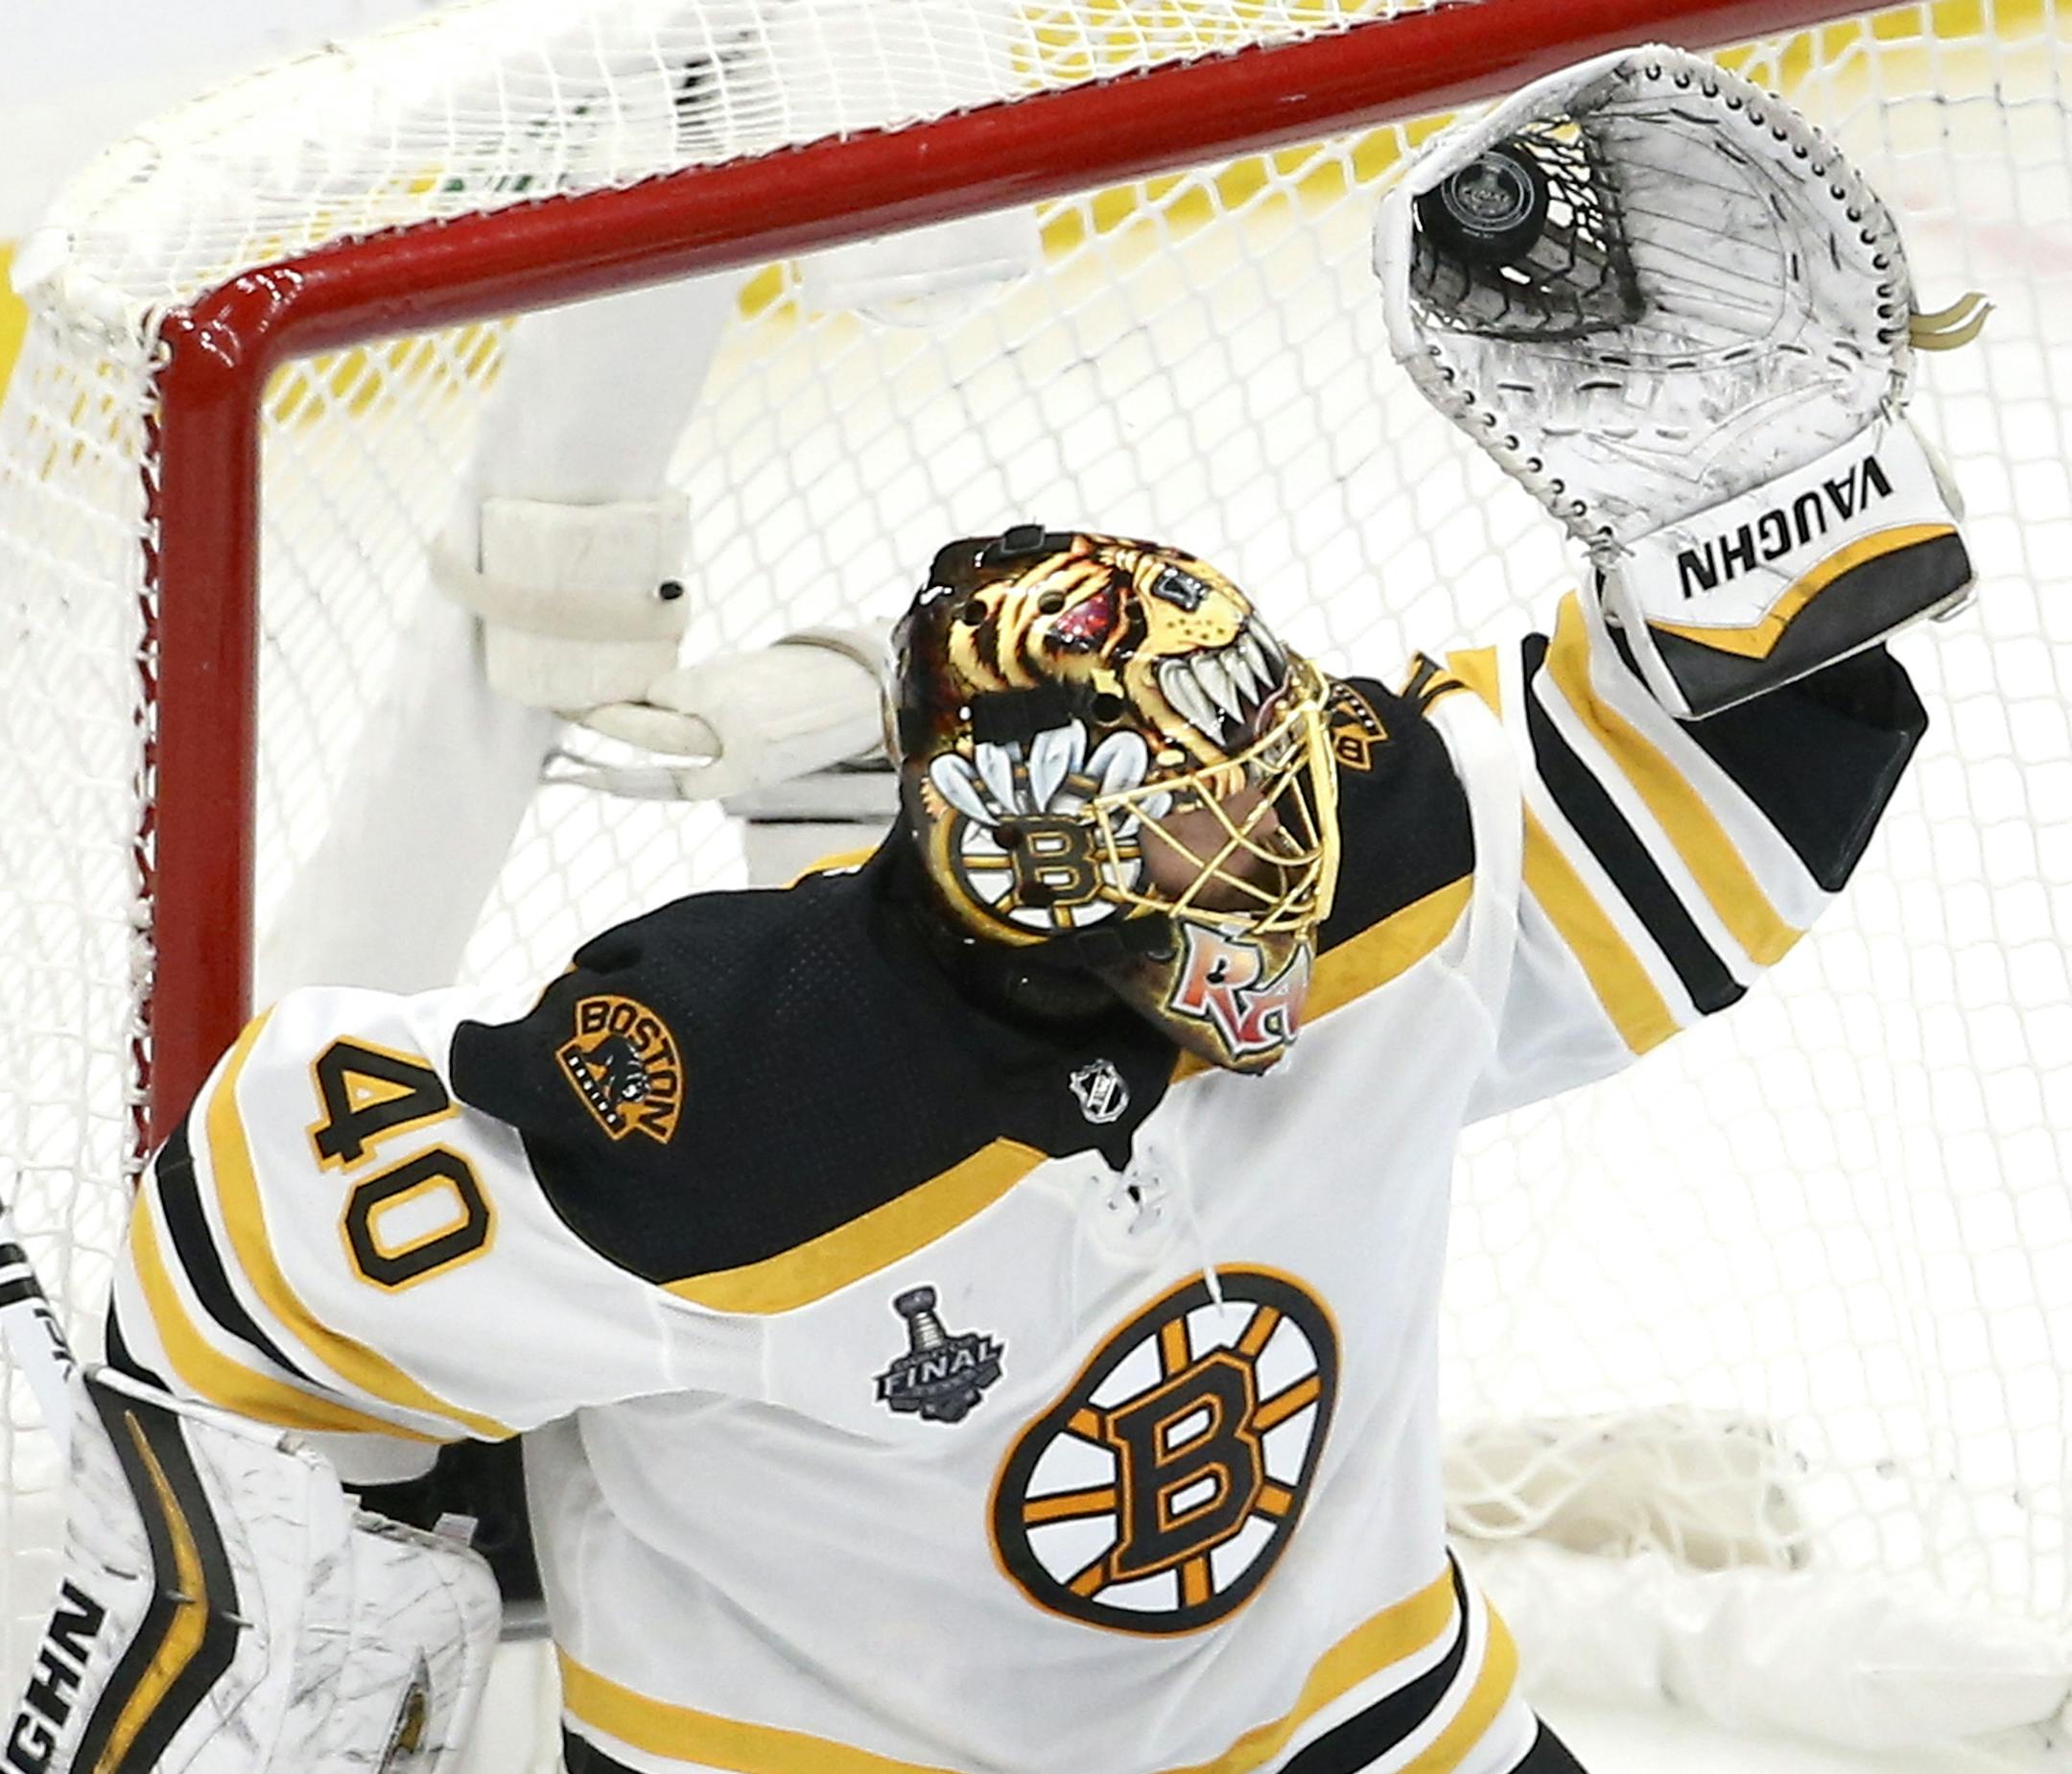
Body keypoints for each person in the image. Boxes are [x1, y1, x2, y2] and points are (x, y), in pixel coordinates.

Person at [9, 46, 1975, 1774]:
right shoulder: (723, 1100)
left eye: (1272, 785)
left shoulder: (1383, 860)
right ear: (1048, 878)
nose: (1282, 874)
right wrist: (322, 1557)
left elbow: (1716, 804)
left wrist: (1764, 494)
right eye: (1208, 839)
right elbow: (252, 1231)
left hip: (1353, 1715)